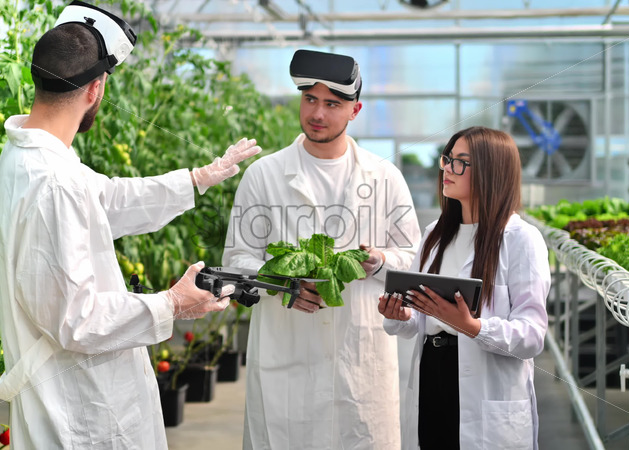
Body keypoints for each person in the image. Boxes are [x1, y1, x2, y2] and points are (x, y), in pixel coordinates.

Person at [0, 2, 261, 448]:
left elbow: (106, 198)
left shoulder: (27, 156)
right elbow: (78, 321)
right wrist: (171, 303)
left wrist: (197, 179)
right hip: (80, 414)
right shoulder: (55, 181)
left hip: (77, 395)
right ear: (95, 89)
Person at [223, 49, 421, 449]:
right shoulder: (265, 175)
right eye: (310, 100)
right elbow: (237, 261)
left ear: (355, 110)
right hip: (288, 357)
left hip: (359, 357)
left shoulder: (384, 177)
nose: (317, 113)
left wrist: (378, 261)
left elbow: (413, 256)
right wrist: (282, 285)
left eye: (332, 104)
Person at [378, 126, 550, 450]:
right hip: (433, 378)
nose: (446, 168)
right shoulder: (435, 234)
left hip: (485, 391)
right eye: (447, 159)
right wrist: (401, 314)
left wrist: (472, 327)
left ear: (490, 170)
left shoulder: (521, 239)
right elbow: (421, 319)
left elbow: (532, 335)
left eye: (460, 162)